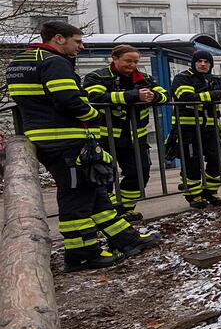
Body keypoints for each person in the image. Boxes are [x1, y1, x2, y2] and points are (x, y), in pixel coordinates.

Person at [5, 22, 160, 271]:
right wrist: (93, 115)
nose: (81, 46)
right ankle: (82, 253)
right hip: (65, 139)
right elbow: (68, 99)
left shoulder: (20, 62)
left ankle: (126, 240)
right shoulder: (54, 62)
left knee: (94, 190)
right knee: (76, 195)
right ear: (58, 38)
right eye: (77, 41)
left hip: (47, 137)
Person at [83, 45, 169, 221]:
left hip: (136, 137)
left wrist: (153, 96)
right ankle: (108, 213)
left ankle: (124, 208)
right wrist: (132, 96)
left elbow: (165, 95)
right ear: (114, 58)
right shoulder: (97, 77)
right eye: (128, 61)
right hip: (105, 137)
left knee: (140, 172)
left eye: (136, 61)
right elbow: (94, 98)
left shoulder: (144, 78)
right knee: (105, 175)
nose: (132, 65)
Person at [171, 51, 221, 208]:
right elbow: (186, 98)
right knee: (191, 162)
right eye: (199, 61)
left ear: (211, 64)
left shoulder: (215, 80)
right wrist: (217, 94)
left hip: (210, 128)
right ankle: (194, 195)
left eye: (206, 62)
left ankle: (210, 191)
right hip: (187, 128)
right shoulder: (182, 78)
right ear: (193, 63)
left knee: (218, 159)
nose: (203, 64)